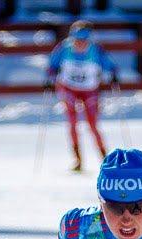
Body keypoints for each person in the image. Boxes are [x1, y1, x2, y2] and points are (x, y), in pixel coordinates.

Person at [46, 20, 118, 173]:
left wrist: (113, 73)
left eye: (84, 40)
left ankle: (105, 159)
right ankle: (77, 159)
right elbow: (52, 63)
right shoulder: (64, 48)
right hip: (68, 88)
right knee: (72, 123)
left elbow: (108, 64)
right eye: (77, 39)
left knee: (92, 124)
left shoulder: (95, 50)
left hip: (89, 89)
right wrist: (49, 76)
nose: (80, 43)